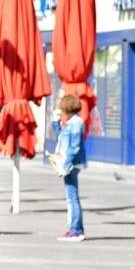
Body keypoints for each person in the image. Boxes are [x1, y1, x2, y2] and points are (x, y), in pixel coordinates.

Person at [51, 95, 87, 242]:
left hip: (71, 164)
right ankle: (76, 229)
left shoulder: (76, 123)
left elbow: (74, 147)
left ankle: (76, 231)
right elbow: (61, 137)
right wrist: (55, 122)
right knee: (71, 197)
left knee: (72, 198)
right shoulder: (71, 122)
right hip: (69, 163)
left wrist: (66, 165)